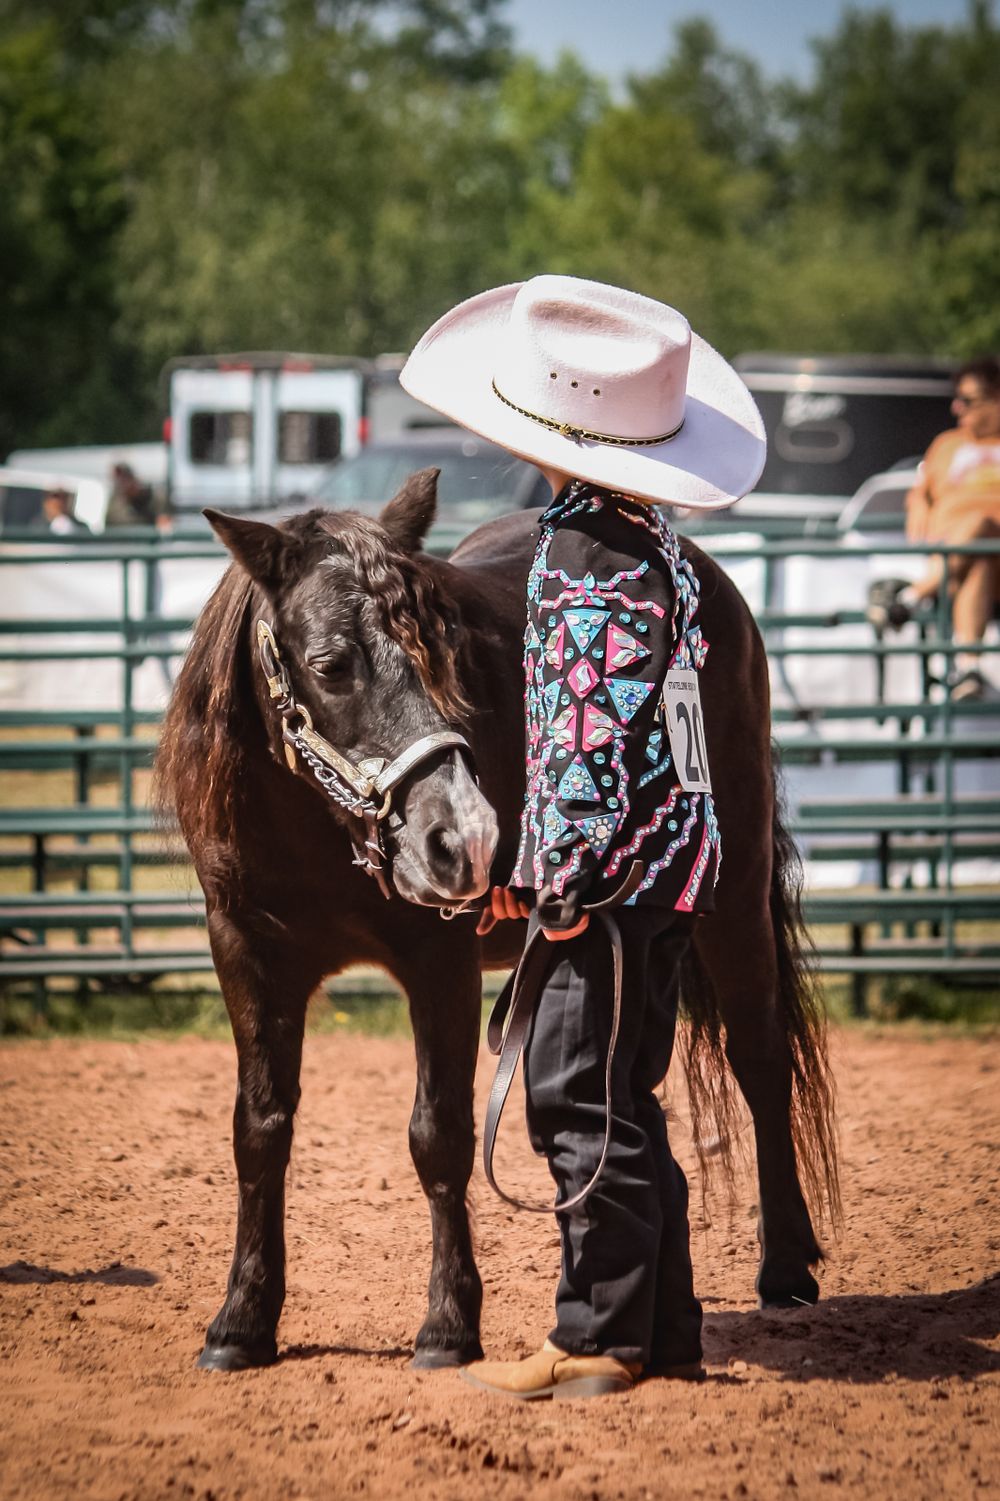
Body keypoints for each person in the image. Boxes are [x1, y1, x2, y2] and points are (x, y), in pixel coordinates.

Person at [400, 275, 765, 1399]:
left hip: (609, 876)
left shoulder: (587, 565)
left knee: (572, 1095)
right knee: (623, 1091)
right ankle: (666, 1327)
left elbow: (585, 742)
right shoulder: (642, 547)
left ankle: (593, 1338)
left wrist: (542, 875)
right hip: (666, 869)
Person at [867, 356, 1000, 701]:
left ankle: (908, 599)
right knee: (979, 558)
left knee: (982, 527)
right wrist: (920, 503)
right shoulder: (946, 445)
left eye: (968, 400)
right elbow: (920, 494)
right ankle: (969, 665)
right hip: (960, 559)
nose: (957, 408)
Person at [105, 462, 171, 530]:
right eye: (120, 480)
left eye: (126, 477)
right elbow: (111, 523)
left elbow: (164, 524)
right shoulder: (115, 504)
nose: (125, 483)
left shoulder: (154, 497)